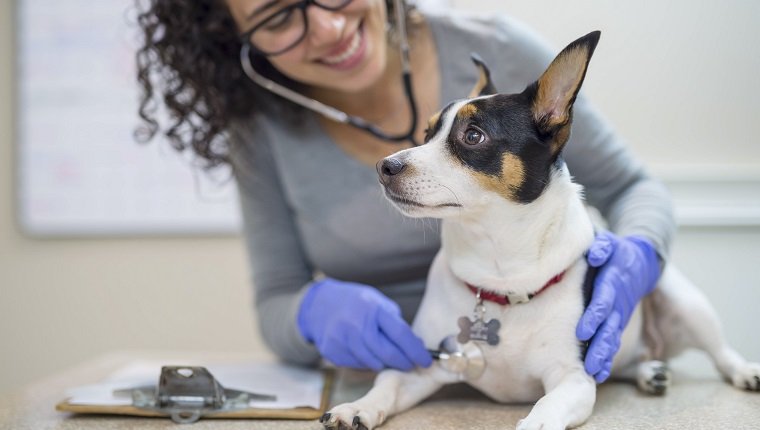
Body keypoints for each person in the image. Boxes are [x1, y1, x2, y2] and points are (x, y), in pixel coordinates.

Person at [135, 0, 674, 383]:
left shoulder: (498, 50)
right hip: (409, 376)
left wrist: (641, 255)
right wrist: (309, 315)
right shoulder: (260, 127)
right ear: (234, 38)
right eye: (277, 16)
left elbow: (631, 187)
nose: (325, 26)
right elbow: (276, 295)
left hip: (542, 353)